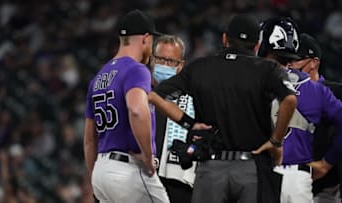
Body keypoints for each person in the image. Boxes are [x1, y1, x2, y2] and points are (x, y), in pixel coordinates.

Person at [149, 14, 297, 203]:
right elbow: (290, 100)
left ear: (225, 39)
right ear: (257, 45)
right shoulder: (267, 69)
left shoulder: (200, 66)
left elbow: (154, 96)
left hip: (211, 167)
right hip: (251, 166)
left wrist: (190, 123)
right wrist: (276, 141)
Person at [83, 9, 170, 203]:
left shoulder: (98, 78)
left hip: (101, 172)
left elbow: (90, 140)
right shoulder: (136, 69)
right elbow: (137, 110)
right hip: (128, 169)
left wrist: (95, 178)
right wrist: (148, 158)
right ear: (146, 39)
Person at [258, 17, 342, 203]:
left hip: (319, 184)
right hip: (298, 179)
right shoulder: (317, 91)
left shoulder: (253, 83)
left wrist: (328, 164)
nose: (293, 65)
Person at [289, 33, 342, 203]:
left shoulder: (336, 93)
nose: (289, 64)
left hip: (327, 188)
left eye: (295, 59)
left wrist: (327, 163)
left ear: (314, 62)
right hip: (284, 182)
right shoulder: (278, 92)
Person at [150, 35, 194, 203]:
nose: (165, 65)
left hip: (178, 184)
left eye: (171, 62)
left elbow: (203, 138)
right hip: (142, 180)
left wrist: (190, 151)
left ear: (180, 66)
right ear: (152, 60)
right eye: (161, 59)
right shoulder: (138, 94)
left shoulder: (192, 100)